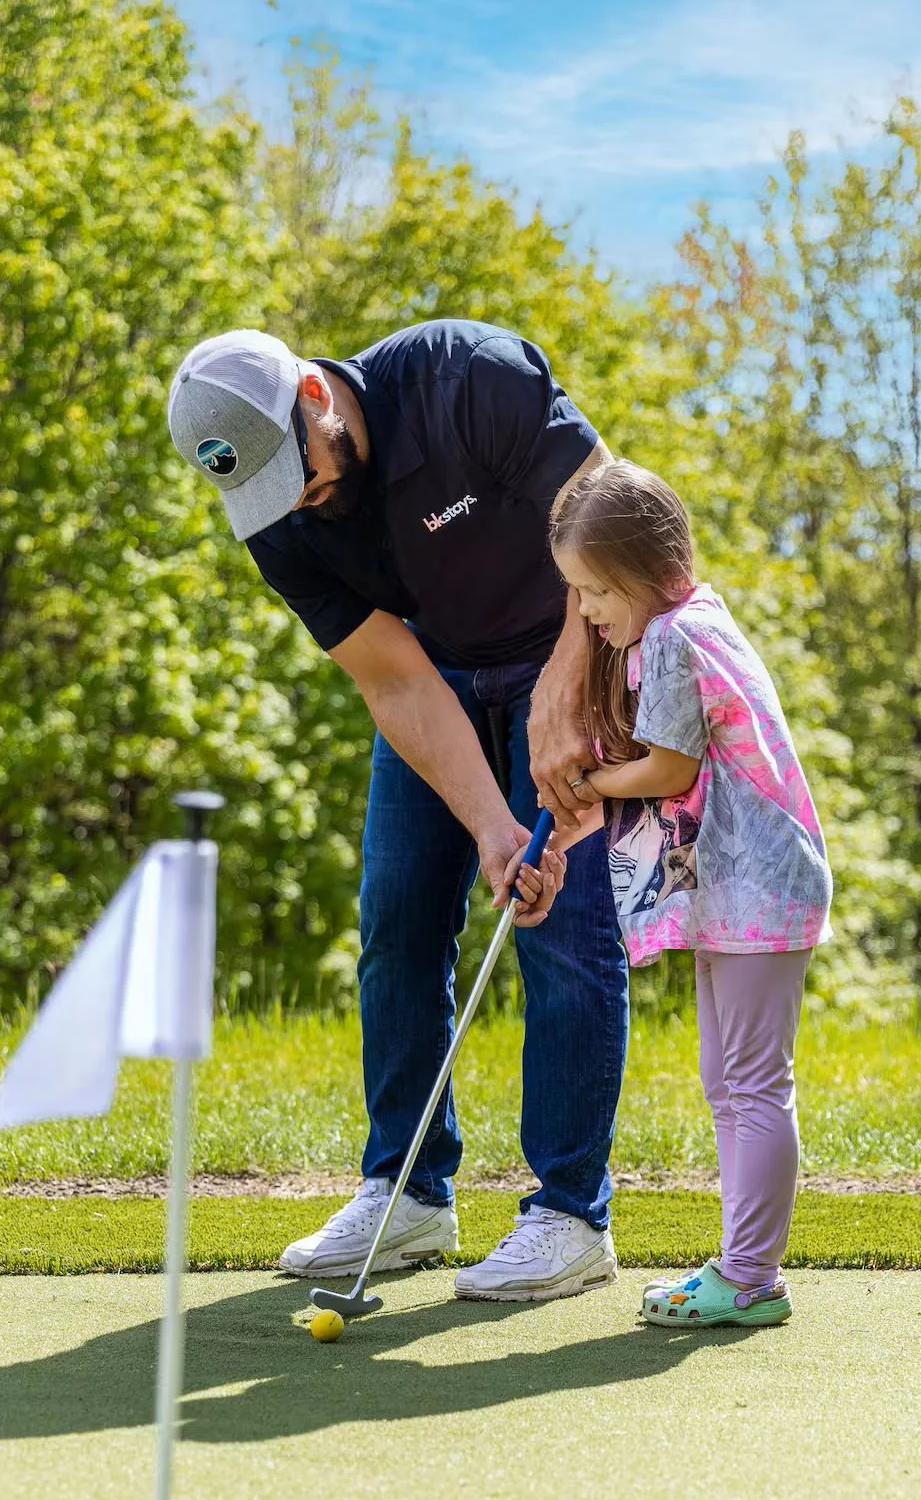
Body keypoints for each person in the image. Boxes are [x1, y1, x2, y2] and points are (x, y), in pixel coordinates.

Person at [166, 322, 628, 1301]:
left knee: (564, 926)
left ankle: (570, 1215)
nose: (299, 500)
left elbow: (614, 526)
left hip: (574, 638)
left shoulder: (467, 376)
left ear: (316, 400)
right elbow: (394, 680)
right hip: (438, 677)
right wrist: (493, 827)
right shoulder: (276, 518)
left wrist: (568, 688)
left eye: (300, 472)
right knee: (397, 922)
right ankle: (409, 1192)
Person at [545, 459, 833, 1327]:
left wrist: (592, 783)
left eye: (597, 590)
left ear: (646, 567)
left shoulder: (673, 637)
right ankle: (741, 1268)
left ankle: (749, 1278)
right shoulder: (693, 619)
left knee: (752, 1085)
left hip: (757, 886)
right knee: (730, 1081)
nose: (586, 611)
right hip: (739, 888)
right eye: (577, 591)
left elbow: (669, 769)